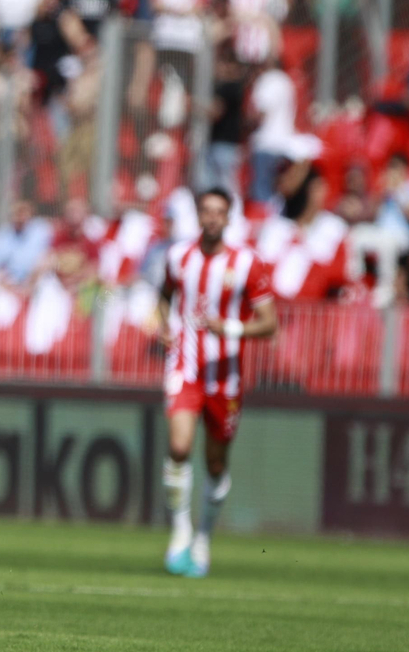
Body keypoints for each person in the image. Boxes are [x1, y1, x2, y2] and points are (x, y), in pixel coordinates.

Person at [158, 187, 278, 578]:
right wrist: (164, 325)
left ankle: (203, 538)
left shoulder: (247, 263)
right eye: (206, 210)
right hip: (184, 366)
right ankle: (180, 533)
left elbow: (270, 324)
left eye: (219, 211)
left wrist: (228, 327)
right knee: (179, 447)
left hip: (225, 376)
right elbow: (164, 295)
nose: (211, 217)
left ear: (229, 218)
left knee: (215, 462)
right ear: (197, 215)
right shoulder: (178, 256)